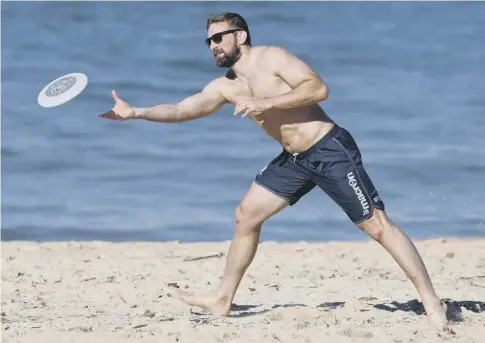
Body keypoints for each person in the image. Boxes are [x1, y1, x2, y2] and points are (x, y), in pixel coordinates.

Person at [99, 12, 448, 329]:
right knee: (246, 216)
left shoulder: (273, 57)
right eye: (208, 41)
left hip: (328, 149)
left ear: (241, 35)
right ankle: (223, 298)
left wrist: (265, 102)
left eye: (218, 38)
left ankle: (432, 303)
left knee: (377, 226)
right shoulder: (226, 85)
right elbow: (182, 109)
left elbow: (317, 88)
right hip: (293, 159)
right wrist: (136, 113)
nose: (213, 46)